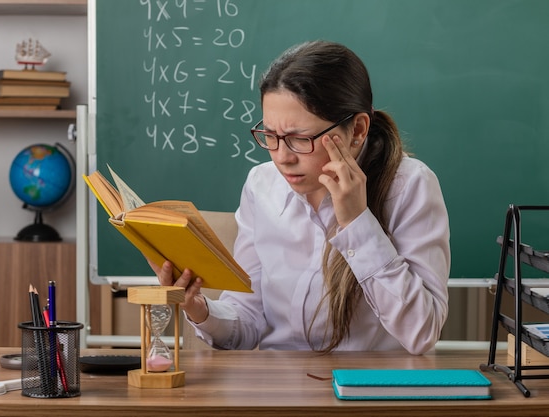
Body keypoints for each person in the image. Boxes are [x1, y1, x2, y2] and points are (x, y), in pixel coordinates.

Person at [150, 40, 450, 354]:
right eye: (270, 136)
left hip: (362, 388)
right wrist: (201, 310)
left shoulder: (409, 186)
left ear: (358, 130)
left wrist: (357, 223)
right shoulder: (261, 185)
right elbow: (248, 322)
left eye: (299, 139)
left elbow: (422, 332)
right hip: (275, 385)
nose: (281, 157)